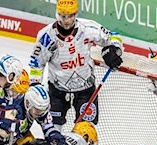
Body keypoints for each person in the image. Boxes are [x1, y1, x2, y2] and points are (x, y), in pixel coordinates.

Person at [28, 0, 123, 129]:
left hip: (86, 90)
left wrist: (114, 49)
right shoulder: (46, 36)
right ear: (57, 14)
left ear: (76, 14)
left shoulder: (89, 28)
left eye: (71, 16)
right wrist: (35, 85)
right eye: (63, 16)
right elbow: (36, 64)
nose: (67, 21)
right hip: (57, 92)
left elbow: (113, 36)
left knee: (86, 132)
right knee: (52, 132)